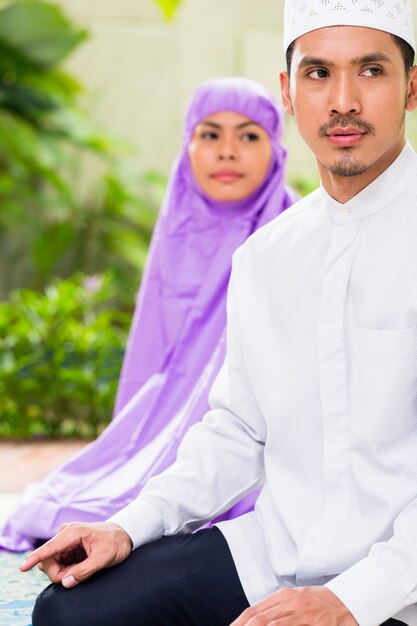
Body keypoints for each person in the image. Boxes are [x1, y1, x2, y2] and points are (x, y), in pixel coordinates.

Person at [21, 1, 417, 625]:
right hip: (274, 554)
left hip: (402, 585)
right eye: (318, 73)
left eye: (370, 70)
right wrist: (128, 526)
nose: (343, 100)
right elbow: (237, 430)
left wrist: (348, 600)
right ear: (288, 92)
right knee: (70, 613)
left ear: (411, 87)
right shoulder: (266, 256)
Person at [0, 77, 296, 553]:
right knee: (84, 502)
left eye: (248, 135)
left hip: (258, 429)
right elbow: (153, 352)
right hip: (166, 418)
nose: (227, 152)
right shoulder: (177, 225)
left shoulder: (295, 233)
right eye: (210, 134)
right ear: (188, 145)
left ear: (276, 148)